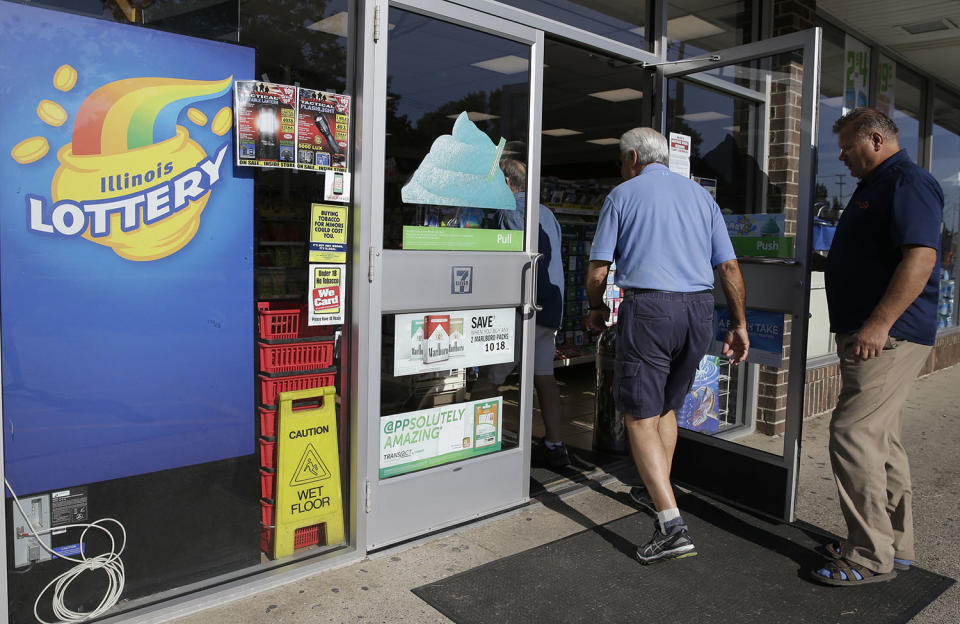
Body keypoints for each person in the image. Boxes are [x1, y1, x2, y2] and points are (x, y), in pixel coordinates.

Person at [585, 127, 749, 564]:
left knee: (639, 417)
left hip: (651, 310)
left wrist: (596, 307)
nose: (622, 168)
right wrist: (739, 323)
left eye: (622, 161)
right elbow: (729, 267)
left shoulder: (623, 195)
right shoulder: (701, 198)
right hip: (699, 310)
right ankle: (652, 488)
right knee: (666, 410)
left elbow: (599, 269)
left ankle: (671, 525)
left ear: (633, 157)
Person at [810, 108, 942, 586]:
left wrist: (878, 324)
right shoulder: (876, 186)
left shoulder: (908, 181)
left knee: (852, 434)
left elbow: (922, 257)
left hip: (889, 336)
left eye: (846, 146)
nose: (841, 157)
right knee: (881, 439)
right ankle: (894, 545)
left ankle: (868, 554)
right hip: (878, 333)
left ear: (875, 139)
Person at [474, 158, 569, 469]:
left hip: (522, 311)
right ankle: (555, 445)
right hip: (548, 311)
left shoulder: (512, 210)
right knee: (545, 378)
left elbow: (513, 262)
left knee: (490, 379)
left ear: (504, 182)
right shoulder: (545, 213)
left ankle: (478, 444)